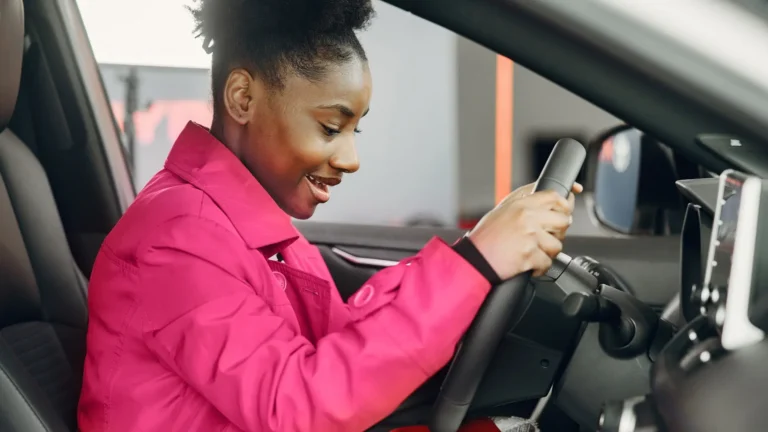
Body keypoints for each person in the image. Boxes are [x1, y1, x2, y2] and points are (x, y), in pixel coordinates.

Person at [76, 0, 581, 431]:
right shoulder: (176, 241)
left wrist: (476, 261)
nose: (349, 159)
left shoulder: (244, 229)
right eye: (329, 127)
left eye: (353, 131)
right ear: (243, 98)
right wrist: (475, 263)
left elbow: (339, 336)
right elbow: (300, 408)